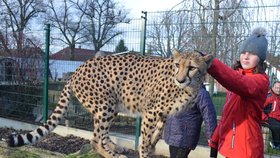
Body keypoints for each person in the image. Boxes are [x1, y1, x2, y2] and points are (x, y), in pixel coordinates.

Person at [208, 27, 270, 158]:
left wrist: (211, 64)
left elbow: (241, 83)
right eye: (243, 52)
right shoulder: (236, 79)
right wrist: (214, 142)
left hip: (247, 150)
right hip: (231, 148)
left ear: (260, 59)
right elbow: (227, 115)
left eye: (252, 53)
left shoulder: (260, 81)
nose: (246, 56)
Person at [164, 84, 217, 158]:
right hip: (174, 135)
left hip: (184, 137)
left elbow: (209, 116)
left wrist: (212, 138)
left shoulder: (200, 93)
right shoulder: (177, 89)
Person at [262, 81, 280, 150]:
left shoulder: (278, 97)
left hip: (277, 117)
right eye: (277, 88)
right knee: (276, 127)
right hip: (269, 117)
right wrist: (265, 118)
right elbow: (260, 108)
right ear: (273, 88)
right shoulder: (269, 97)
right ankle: (275, 144)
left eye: (279, 88)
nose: (278, 89)